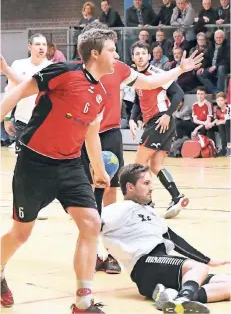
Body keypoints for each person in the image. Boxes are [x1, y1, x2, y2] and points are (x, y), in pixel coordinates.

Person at [0, 26, 204, 313]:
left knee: (91, 224)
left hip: (70, 164)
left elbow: (91, 131)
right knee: (21, 234)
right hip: (35, 163)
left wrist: (98, 168)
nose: (117, 55)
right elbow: (22, 89)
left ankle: (83, 303)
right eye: (112, 49)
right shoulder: (63, 72)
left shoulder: (101, 89)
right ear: (95, 53)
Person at [101, 164, 231, 314]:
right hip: (144, 265)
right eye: (146, 183)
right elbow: (94, 223)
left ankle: (172, 297)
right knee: (198, 268)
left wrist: (207, 259)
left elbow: (173, 239)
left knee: (228, 284)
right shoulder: (119, 209)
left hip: (164, 266)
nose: (151, 188)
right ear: (130, 187)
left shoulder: (150, 212)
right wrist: (98, 189)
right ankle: (183, 300)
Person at [129, 41, 189, 219]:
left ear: (149, 56)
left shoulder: (157, 74)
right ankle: (177, 196)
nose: (140, 56)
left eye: (143, 53)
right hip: (155, 122)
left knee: (139, 164)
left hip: (160, 120)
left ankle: (144, 203)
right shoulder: (136, 78)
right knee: (155, 165)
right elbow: (137, 102)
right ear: (133, 58)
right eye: (137, 54)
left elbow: (178, 94)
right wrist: (133, 118)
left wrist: (168, 115)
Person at [3, 33, 52, 220]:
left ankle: (41, 205)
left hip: (47, 124)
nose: (41, 47)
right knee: (23, 166)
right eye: (37, 44)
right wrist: (8, 117)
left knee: (44, 165)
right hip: (23, 123)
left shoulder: (52, 67)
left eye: (44, 44)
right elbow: (10, 92)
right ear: (29, 46)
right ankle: (20, 203)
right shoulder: (18, 65)